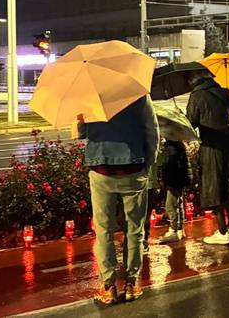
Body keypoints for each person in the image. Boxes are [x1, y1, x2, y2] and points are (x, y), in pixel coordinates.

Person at [79, 95, 159, 305]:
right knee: (134, 229)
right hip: (133, 167)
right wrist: (148, 162)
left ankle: (108, 286)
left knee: (104, 229)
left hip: (101, 169)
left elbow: (81, 133)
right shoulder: (138, 94)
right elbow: (152, 130)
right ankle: (132, 283)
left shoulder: (90, 95)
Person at [186, 72, 229, 245]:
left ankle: (222, 231)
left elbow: (191, 122)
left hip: (212, 144)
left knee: (215, 185)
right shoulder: (222, 91)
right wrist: (227, 95)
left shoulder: (197, 95)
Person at [158, 139, 192, 243]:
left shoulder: (171, 146)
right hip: (178, 180)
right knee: (178, 204)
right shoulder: (179, 144)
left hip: (173, 181)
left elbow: (170, 166)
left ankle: (174, 230)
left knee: (171, 205)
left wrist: (167, 181)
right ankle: (180, 230)